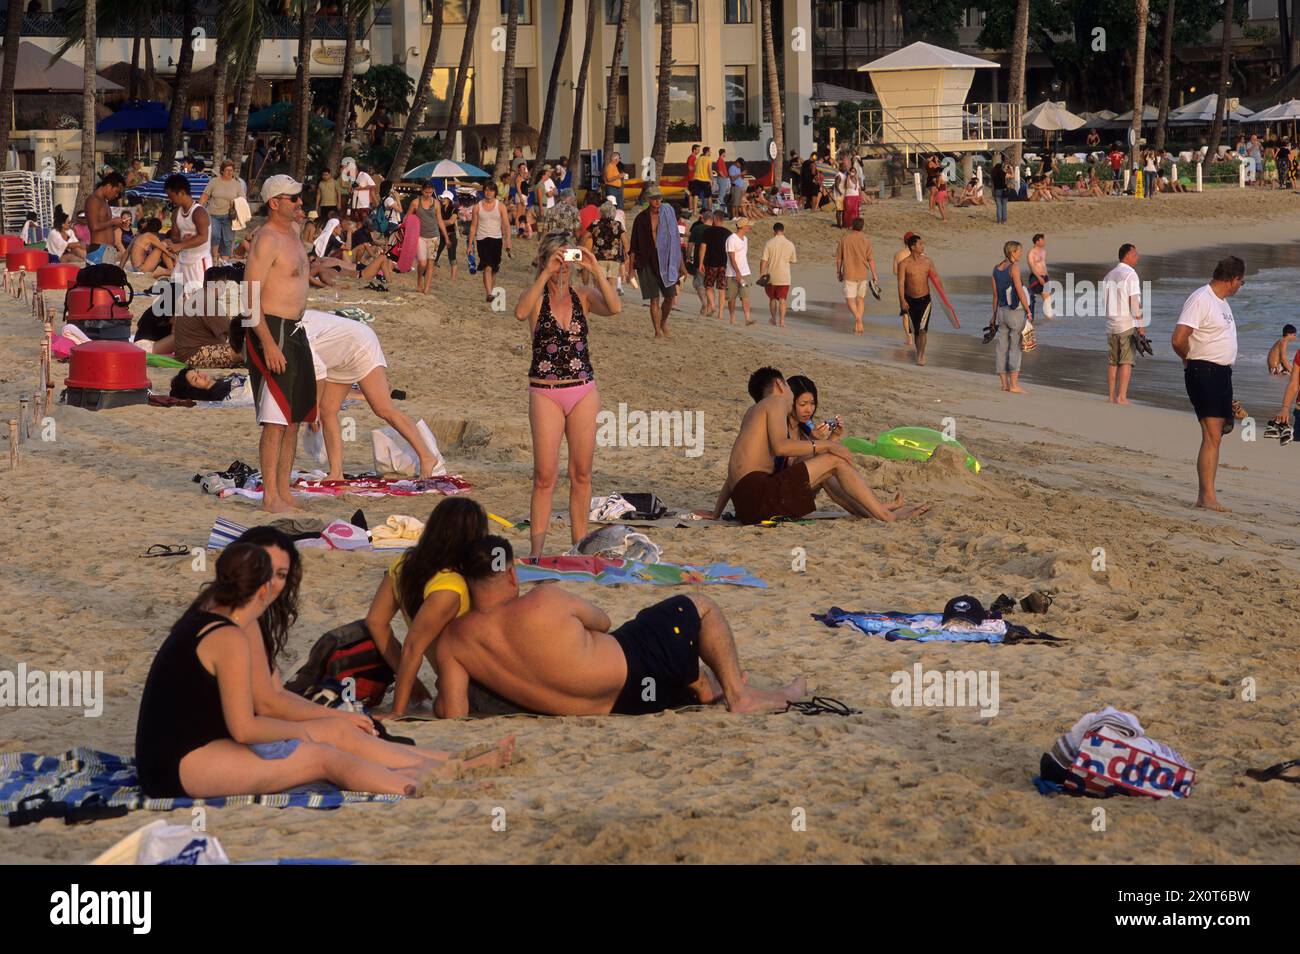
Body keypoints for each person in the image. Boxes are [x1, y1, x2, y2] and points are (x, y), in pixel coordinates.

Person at [134, 543, 511, 798]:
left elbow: (266, 700)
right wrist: (309, 731)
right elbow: (245, 727)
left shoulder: (217, 612)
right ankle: (417, 786)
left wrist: (323, 724)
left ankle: (447, 762)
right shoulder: (228, 636)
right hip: (179, 765)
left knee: (334, 734)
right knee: (324, 756)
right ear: (264, 589)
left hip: (194, 747)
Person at [433, 537, 807, 718]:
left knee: (694, 675)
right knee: (699, 608)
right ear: (512, 572)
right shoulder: (543, 600)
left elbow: (452, 713)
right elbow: (604, 621)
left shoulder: (453, 641)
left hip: (618, 706)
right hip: (633, 667)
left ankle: (731, 689)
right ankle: (740, 696)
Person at [706, 367, 927, 524]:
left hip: (748, 506)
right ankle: (886, 515)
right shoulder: (774, 402)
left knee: (828, 466)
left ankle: (874, 510)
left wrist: (716, 513)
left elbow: (735, 471)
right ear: (779, 385)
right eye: (796, 398)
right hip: (759, 499)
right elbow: (782, 448)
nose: (794, 401)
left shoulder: (753, 414)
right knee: (833, 461)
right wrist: (826, 447)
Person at [515, 234, 620, 557]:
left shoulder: (583, 295)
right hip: (545, 392)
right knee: (545, 475)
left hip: (582, 390)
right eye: (557, 261)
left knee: (582, 473)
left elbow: (615, 308)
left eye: (567, 262)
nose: (563, 268)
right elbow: (520, 312)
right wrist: (546, 273)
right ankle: (537, 550)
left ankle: (580, 548)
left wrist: (595, 268)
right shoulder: (536, 297)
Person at [234, 175, 316, 514]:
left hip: (296, 330)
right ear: (274, 203)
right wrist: (267, 343)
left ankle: (283, 490)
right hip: (273, 329)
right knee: (275, 418)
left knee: (294, 417)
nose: (300, 203)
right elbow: (249, 296)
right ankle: (270, 497)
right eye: (293, 198)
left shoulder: (294, 234)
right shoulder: (266, 239)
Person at [363, 498, 488, 717]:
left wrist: (413, 685)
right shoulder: (451, 586)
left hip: (456, 681)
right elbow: (413, 646)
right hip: (477, 684)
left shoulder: (404, 564)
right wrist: (398, 710)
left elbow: (376, 622)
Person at [301, 309, 441, 480]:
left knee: (383, 409)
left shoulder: (293, 328)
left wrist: (312, 405)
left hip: (359, 343)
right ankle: (336, 473)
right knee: (327, 411)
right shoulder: (287, 322)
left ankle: (427, 456)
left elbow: (316, 369)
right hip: (338, 353)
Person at [1171, 256, 1244, 512]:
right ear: (1233, 279)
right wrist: (1188, 360)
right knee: (1212, 434)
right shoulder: (1201, 298)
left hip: (1221, 373)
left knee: (1220, 432)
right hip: (1204, 370)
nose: (1240, 286)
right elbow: (1179, 338)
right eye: (1241, 282)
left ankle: (1207, 494)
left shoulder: (1221, 302)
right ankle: (1206, 496)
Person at [627, 183, 684, 338]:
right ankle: (657, 331)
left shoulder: (667, 216)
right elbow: (634, 245)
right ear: (648, 199)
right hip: (646, 261)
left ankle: (663, 322)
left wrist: (681, 265)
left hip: (665, 260)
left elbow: (675, 242)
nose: (657, 201)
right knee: (654, 299)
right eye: (654, 198)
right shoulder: (640, 219)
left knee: (670, 296)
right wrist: (630, 270)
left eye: (659, 198)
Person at [896, 233, 959, 365]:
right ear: (912, 247)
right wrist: (902, 301)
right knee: (916, 331)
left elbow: (935, 278)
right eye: (920, 244)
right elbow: (901, 283)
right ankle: (919, 352)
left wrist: (943, 297)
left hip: (925, 300)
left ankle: (921, 354)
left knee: (923, 330)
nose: (923, 246)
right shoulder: (904, 264)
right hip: (910, 300)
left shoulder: (927, 262)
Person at [988, 241, 1034, 394]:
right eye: (1019, 251)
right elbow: (1020, 290)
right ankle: (1014, 385)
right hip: (1015, 313)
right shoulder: (1014, 267)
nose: (1021, 253)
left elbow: (995, 295)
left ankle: (1004, 384)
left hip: (1001, 312)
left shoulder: (996, 269)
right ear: (1012, 252)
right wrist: (1028, 309)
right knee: (1015, 347)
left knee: (1001, 348)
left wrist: (993, 317)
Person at [1102, 243, 1145, 404]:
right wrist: (1141, 326)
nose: (1138, 256)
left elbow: (1104, 301)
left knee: (1113, 361)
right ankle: (1122, 397)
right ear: (1127, 255)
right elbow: (1134, 302)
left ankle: (1111, 396)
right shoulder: (1130, 275)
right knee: (1126, 360)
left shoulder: (1109, 275)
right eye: (1135, 254)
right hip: (1125, 324)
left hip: (1110, 324)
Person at [165, 173, 212, 297]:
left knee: (200, 301)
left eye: (171, 196)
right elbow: (174, 237)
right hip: (183, 260)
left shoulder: (199, 212)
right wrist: (180, 241)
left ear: (181, 192)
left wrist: (181, 245)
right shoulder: (176, 213)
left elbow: (203, 237)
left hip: (199, 261)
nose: (170, 200)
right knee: (176, 298)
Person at [468, 180, 511, 304]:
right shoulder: (477, 206)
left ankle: (491, 292)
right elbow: (473, 226)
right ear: (483, 191)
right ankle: (488, 293)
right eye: (486, 190)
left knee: (494, 268)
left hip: (496, 239)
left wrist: (508, 241)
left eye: (491, 190)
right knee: (487, 266)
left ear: (495, 192)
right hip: (482, 239)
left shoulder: (501, 206)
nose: (488, 192)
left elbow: (507, 225)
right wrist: (470, 245)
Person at [836, 218, 878, 336]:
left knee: (850, 299)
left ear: (852, 226)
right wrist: (874, 274)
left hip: (849, 273)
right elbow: (870, 259)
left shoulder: (845, 239)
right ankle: (858, 322)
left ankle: (858, 320)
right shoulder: (866, 240)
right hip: (862, 273)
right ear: (862, 227)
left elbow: (839, 258)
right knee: (860, 299)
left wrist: (838, 272)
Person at [200, 159, 246, 260]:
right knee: (215, 236)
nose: (229, 172)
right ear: (222, 171)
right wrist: (198, 208)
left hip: (229, 216)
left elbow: (243, 200)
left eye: (231, 170)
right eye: (227, 170)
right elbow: (205, 196)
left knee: (228, 239)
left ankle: (225, 261)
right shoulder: (214, 182)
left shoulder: (236, 184)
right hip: (213, 214)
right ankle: (215, 258)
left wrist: (235, 202)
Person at [583, 198, 628, 295]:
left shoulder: (595, 224)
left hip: (599, 258)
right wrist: (627, 255)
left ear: (601, 212)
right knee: (612, 283)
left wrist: (582, 247)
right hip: (614, 259)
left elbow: (585, 236)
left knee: (599, 283)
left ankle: (600, 303)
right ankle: (610, 303)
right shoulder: (617, 225)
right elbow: (625, 242)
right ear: (613, 213)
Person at [759, 221, 797, 328]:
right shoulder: (790, 244)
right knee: (782, 299)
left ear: (774, 232)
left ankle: (774, 319)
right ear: (783, 231)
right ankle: (782, 321)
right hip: (784, 276)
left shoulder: (769, 243)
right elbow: (793, 260)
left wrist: (761, 274)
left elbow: (764, 260)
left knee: (772, 299)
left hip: (771, 276)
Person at [82, 171, 125, 265]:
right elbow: (94, 226)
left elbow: (104, 227)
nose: (116, 195)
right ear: (109, 186)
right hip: (98, 250)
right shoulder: (93, 200)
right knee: (98, 279)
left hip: (107, 250)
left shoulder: (104, 202)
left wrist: (116, 225)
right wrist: (112, 222)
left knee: (107, 280)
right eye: (116, 191)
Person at [409, 180, 441, 295]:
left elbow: (439, 220)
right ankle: (419, 280)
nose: (428, 194)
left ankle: (426, 289)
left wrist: (446, 238)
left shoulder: (436, 203)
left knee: (430, 264)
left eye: (430, 192)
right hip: (420, 236)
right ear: (422, 191)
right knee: (422, 263)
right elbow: (408, 218)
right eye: (426, 192)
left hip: (434, 236)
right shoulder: (415, 203)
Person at [699, 212, 732, 320]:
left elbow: (703, 247)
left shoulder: (707, 231)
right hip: (723, 263)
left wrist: (700, 262)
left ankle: (712, 306)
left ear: (714, 219)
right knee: (721, 288)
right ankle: (721, 313)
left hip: (710, 263)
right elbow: (731, 250)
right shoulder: (728, 233)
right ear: (722, 220)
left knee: (709, 286)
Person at [723, 215, 753, 326]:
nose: (749, 227)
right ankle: (732, 317)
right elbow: (731, 257)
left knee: (745, 295)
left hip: (745, 272)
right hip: (732, 273)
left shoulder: (745, 239)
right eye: (748, 226)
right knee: (731, 297)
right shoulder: (731, 239)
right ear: (743, 227)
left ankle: (747, 318)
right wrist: (737, 272)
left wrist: (742, 273)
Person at [432, 189, 459, 279]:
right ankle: (432, 274)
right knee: (435, 254)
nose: (442, 200)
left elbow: (451, 221)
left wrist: (439, 222)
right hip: (440, 234)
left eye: (444, 198)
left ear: (449, 199)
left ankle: (453, 278)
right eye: (442, 198)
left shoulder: (454, 209)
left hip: (451, 235)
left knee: (452, 256)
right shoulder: (439, 208)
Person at [1026, 232, 1052, 320]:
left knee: (1047, 298)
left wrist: (1047, 275)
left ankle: (1048, 318)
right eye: (1042, 240)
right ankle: (1030, 318)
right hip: (1036, 277)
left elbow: (1043, 264)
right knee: (1033, 297)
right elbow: (1032, 266)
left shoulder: (1043, 251)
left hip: (1045, 276)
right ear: (1037, 241)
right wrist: (1039, 277)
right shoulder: (1031, 252)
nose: (1044, 241)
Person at [691, 145, 713, 213]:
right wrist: (712, 179)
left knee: (696, 195)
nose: (710, 153)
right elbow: (709, 170)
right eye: (710, 151)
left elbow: (695, 169)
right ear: (707, 152)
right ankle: (709, 211)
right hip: (705, 180)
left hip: (697, 179)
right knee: (709, 196)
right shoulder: (709, 159)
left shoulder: (698, 159)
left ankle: (694, 211)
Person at [991, 159, 1008, 224]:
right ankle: (1004, 220)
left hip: (996, 190)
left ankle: (998, 220)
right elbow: (1012, 176)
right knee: (1004, 205)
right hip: (1003, 190)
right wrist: (1011, 169)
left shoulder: (993, 174)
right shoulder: (1003, 173)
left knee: (999, 206)